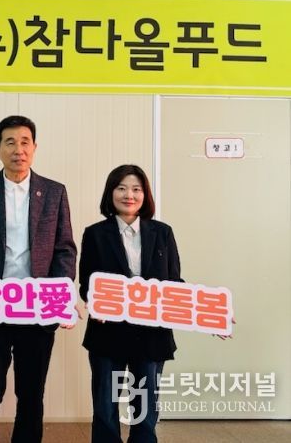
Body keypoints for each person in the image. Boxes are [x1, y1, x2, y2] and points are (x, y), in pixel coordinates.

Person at [0, 115, 77, 443]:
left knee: (31, 396)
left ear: (35, 147)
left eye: (25, 142)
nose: (18, 150)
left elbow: (65, 249)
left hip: (37, 309)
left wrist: (60, 297)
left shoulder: (53, 192)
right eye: (10, 142)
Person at [79, 164, 182, 443]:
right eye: (122, 188)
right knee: (105, 407)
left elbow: (174, 282)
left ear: (145, 195)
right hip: (107, 332)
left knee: (145, 410)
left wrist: (210, 314)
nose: (129, 195)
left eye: (136, 189)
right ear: (110, 193)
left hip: (151, 334)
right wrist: (95, 302)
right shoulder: (95, 234)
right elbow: (87, 283)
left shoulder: (163, 233)